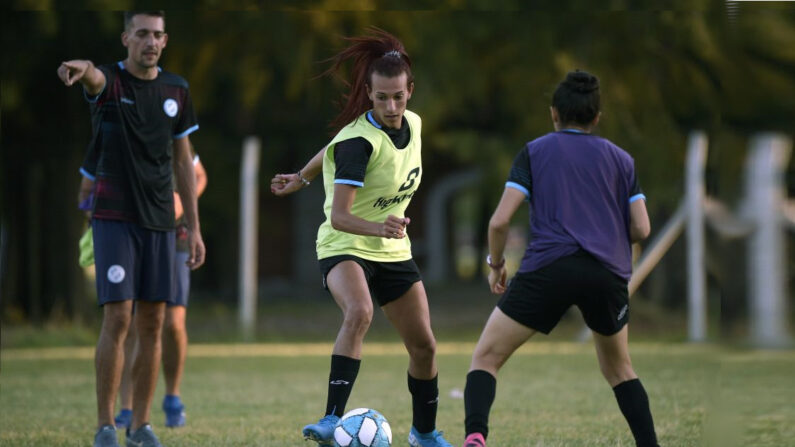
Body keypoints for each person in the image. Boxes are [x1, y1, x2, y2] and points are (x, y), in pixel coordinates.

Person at [271, 27, 453, 447]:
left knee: (424, 345)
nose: (392, 106)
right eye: (382, 97)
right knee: (360, 311)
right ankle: (331, 419)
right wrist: (380, 227)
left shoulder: (415, 124)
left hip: (391, 250)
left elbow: (329, 145)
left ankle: (424, 434)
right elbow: (339, 216)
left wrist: (302, 176)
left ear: (410, 90)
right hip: (344, 244)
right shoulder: (359, 143)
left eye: (399, 96)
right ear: (368, 95)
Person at [461, 71, 658, 447]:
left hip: (549, 268)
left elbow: (500, 220)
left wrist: (496, 264)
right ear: (596, 117)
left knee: (486, 357)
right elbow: (642, 228)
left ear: (554, 113)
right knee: (619, 370)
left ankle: (475, 436)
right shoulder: (622, 160)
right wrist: (607, 232)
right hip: (606, 272)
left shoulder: (535, 152)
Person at [60, 10, 205, 447]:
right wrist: (80, 67)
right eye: (142, 34)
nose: (152, 42)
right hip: (113, 218)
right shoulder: (111, 82)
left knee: (153, 321)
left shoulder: (176, 89)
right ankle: (106, 424)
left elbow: (183, 161)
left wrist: (193, 228)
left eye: (158, 35)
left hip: (162, 220)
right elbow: (92, 78)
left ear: (165, 39)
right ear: (126, 38)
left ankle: (141, 425)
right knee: (118, 316)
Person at [113, 153, 207, 430]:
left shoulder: (173, 131)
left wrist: (182, 201)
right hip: (134, 229)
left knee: (173, 324)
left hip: (175, 235)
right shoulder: (121, 123)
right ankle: (127, 408)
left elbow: (199, 174)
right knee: (129, 322)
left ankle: (172, 396)